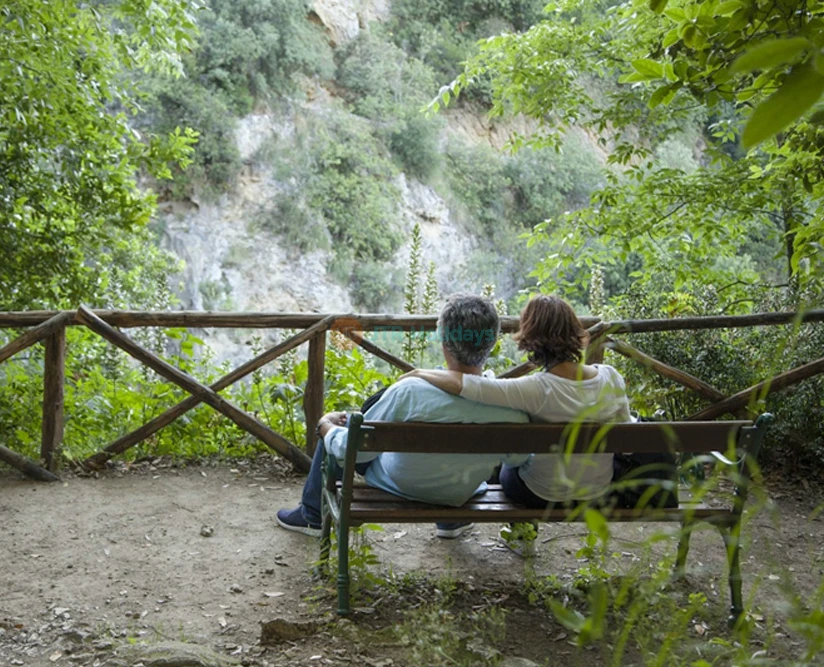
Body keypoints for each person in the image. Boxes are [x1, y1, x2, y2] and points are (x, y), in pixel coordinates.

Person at [276, 294, 529, 539]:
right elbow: (517, 458)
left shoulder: (408, 392)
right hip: (460, 492)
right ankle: (452, 520)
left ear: (443, 340)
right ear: (493, 341)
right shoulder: (506, 404)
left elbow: (355, 451)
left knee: (342, 428)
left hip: (401, 484)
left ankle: (312, 515)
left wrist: (325, 426)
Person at [401, 294, 631, 509]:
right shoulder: (611, 377)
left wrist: (419, 373)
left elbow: (470, 386)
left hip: (541, 494)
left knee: (509, 466)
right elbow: (626, 439)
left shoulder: (535, 389)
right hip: (596, 493)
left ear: (531, 337)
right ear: (574, 330)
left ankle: (521, 531)